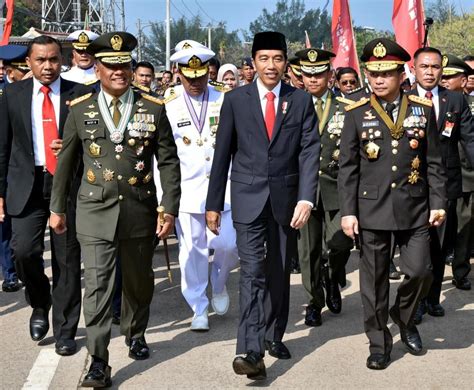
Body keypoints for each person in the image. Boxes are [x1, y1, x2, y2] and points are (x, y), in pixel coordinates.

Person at [49, 31, 180, 388]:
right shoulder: (80, 109)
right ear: (99, 69)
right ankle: (99, 360)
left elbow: (168, 162)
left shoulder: (153, 108)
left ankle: (135, 332)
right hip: (93, 212)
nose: (118, 72)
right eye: (110, 65)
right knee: (98, 288)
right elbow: (66, 162)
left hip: (139, 210)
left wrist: (168, 207)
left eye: (124, 65)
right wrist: (57, 208)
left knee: (138, 284)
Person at [206, 31, 320, 380]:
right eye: (264, 59)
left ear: (287, 63)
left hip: (286, 202)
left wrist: (306, 196)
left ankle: (273, 334)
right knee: (253, 272)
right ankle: (249, 349)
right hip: (247, 199)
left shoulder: (299, 101)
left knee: (279, 271)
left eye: (278, 59)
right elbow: (223, 153)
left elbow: (309, 151)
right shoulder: (236, 100)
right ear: (253, 62)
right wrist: (213, 203)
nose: (271, 66)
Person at [338, 38, 447, 370]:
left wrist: (438, 201)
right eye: (373, 73)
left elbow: (434, 162)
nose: (379, 80)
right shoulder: (356, 113)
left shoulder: (422, 110)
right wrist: (348, 212)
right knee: (373, 284)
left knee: (420, 271)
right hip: (371, 211)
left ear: (402, 74)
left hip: (414, 206)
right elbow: (348, 167)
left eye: (386, 73)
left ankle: (405, 318)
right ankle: (378, 342)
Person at [0, 35, 92, 356]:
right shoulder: (12, 94)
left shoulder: (79, 95)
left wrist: (71, 148)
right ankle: (40, 303)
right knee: (23, 251)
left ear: (61, 60)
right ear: (29, 62)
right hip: (26, 186)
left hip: (66, 185)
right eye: (41, 60)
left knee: (68, 260)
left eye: (54, 59)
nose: (49, 66)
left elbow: (94, 146)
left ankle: (66, 329)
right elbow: (3, 146)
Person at [164, 40, 238, 330]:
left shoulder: (225, 98)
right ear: (179, 72)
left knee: (229, 245)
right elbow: (164, 156)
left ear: (210, 72)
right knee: (192, 252)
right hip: (187, 190)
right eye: (189, 76)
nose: (195, 82)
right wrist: (164, 199)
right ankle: (198, 306)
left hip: (225, 189)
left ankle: (219, 284)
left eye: (201, 76)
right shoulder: (168, 105)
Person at [410, 50, 474, 324]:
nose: (429, 72)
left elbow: (470, 140)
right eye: (424, 66)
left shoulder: (456, 100)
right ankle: (414, 298)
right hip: (409, 184)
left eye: (435, 67)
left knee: (438, 245)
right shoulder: (401, 98)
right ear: (414, 69)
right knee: (416, 247)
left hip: (446, 185)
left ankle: (431, 298)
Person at [294, 48, 354, 327]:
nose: (313, 79)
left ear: (330, 76)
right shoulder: (292, 105)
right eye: (308, 74)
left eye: (319, 74)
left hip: (337, 186)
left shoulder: (347, 106)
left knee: (340, 241)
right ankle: (314, 302)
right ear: (301, 76)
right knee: (308, 251)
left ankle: (333, 277)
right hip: (303, 190)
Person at [438, 54, 474, 291]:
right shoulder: (437, 102)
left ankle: (460, 270)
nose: (445, 81)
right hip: (444, 174)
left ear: (463, 80)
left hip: (468, 175)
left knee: (464, 226)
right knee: (440, 228)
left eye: (450, 77)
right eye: (444, 77)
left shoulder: (469, 103)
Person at [0, 44, 30, 293]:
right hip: (5, 169)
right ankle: (10, 273)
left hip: (22, 172)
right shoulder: (4, 96)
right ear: (12, 72)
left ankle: (22, 271)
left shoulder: (34, 94)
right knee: (5, 227)